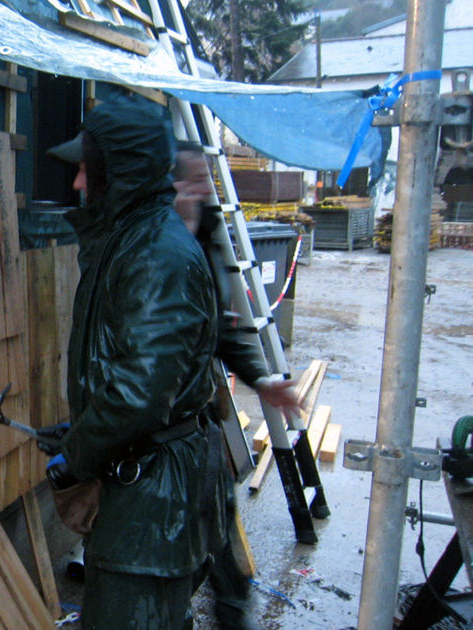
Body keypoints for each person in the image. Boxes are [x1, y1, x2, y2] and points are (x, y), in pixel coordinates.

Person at [42, 85, 224, 630]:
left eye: (86, 169)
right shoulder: (131, 240)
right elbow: (125, 369)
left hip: (153, 509)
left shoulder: (156, 256)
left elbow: (140, 394)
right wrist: (85, 426)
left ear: (118, 173)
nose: (76, 181)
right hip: (140, 494)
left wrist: (78, 451)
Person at [174, 142, 301, 630]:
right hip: (156, 439)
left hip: (200, 427)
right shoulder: (147, 249)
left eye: (207, 178)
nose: (205, 188)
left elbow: (224, 330)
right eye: (194, 180)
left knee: (226, 552)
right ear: (169, 185)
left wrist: (262, 379)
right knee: (172, 562)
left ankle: (232, 614)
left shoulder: (207, 241)